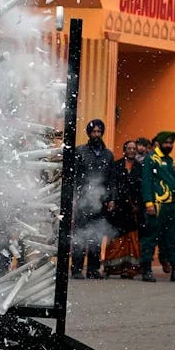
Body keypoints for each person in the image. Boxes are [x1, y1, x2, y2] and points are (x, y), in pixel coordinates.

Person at [140, 131, 175, 282]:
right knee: (150, 238)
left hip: (172, 206)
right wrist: (148, 203)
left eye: (171, 143)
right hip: (157, 205)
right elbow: (146, 182)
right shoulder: (151, 159)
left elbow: (173, 185)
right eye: (166, 143)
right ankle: (147, 270)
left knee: (171, 239)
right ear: (160, 143)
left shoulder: (169, 160)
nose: (169, 145)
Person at [72, 119, 116, 279]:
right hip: (84, 200)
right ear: (89, 133)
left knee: (96, 235)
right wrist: (75, 198)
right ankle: (76, 269)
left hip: (101, 200)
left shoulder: (108, 154)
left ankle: (93, 269)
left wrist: (112, 198)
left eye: (99, 131)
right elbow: (75, 176)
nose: (96, 135)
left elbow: (112, 179)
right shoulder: (80, 151)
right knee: (81, 235)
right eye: (94, 132)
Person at [104, 140, 141, 278]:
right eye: (129, 148)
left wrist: (138, 203)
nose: (131, 151)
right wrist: (111, 199)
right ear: (124, 150)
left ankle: (130, 269)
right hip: (119, 208)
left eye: (134, 148)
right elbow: (112, 183)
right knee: (116, 239)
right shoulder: (117, 165)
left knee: (132, 240)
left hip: (133, 210)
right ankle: (112, 268)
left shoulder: (140, 167)